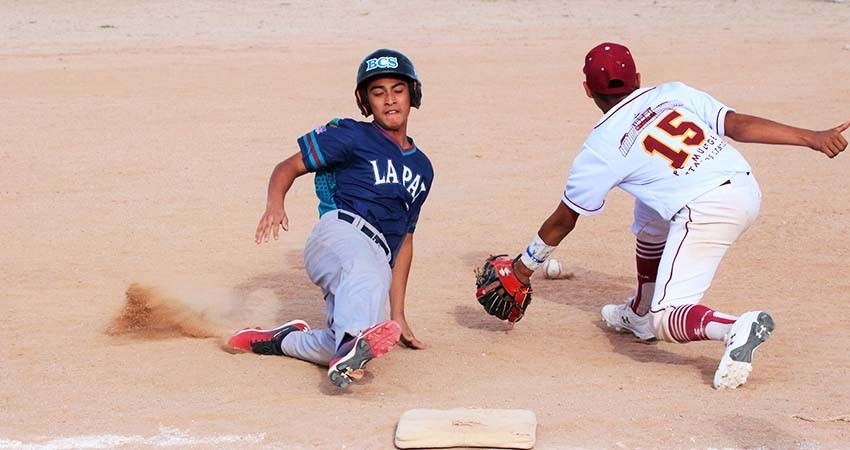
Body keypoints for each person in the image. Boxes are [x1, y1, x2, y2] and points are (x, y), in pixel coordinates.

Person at [492, 42, 848, 389]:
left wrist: (522, 269)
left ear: (587, 90)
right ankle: (640, 315)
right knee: (648, 208)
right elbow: (736, 125)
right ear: (638, 77)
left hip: (708, 210)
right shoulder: (671, 92)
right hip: (743, 185)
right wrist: (811, 137)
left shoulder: (599, 148)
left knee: (669, 317)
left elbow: (563, 220)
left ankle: (732, 327)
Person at [228, 49, 434, 388]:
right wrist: (275, 203)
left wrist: (397, 315)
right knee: (363, 287)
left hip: (379, 255)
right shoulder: (352, 134)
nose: (389, 99)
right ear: (364, 100)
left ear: (413, 93)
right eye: (377, 92)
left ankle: (282, 341)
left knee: (352, 333)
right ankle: (350, 348)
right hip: (339, 234)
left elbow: (406, 241)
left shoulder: (423, 167)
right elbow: (288, 166)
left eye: (398, 89)